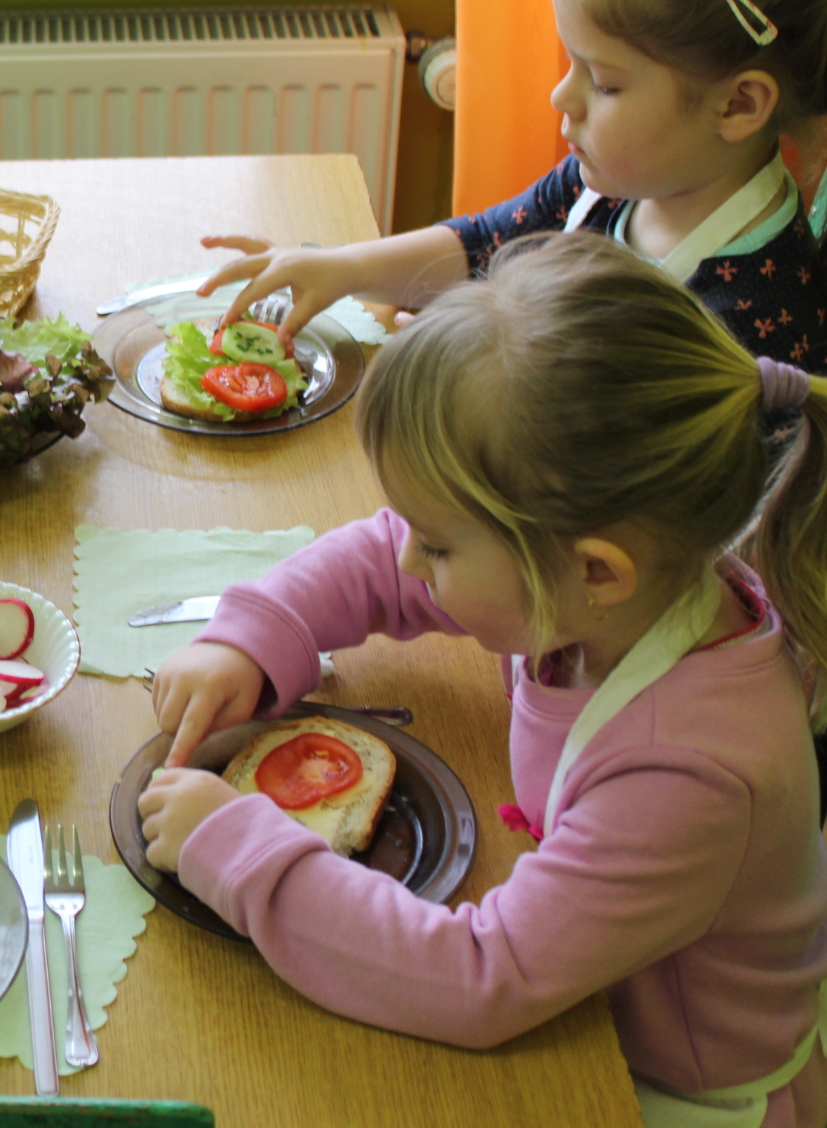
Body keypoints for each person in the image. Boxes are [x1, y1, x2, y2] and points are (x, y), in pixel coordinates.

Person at [139, 231, 827, 1127]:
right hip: (586, 989)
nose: (409, 559)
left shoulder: (690, 771)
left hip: (667, 1088)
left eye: (438, 545)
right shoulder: (603, 593)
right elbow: (385, 557)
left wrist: (234, 847)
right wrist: (255, 636)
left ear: (595, 570)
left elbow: (481, 978)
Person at [196, 0, 827, 374]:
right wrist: (340, 267)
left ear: (739, 105)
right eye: (572, 63)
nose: (561, 97)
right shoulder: (611, 185)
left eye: (606, 84)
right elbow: (484, 243)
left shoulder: (757, 322)